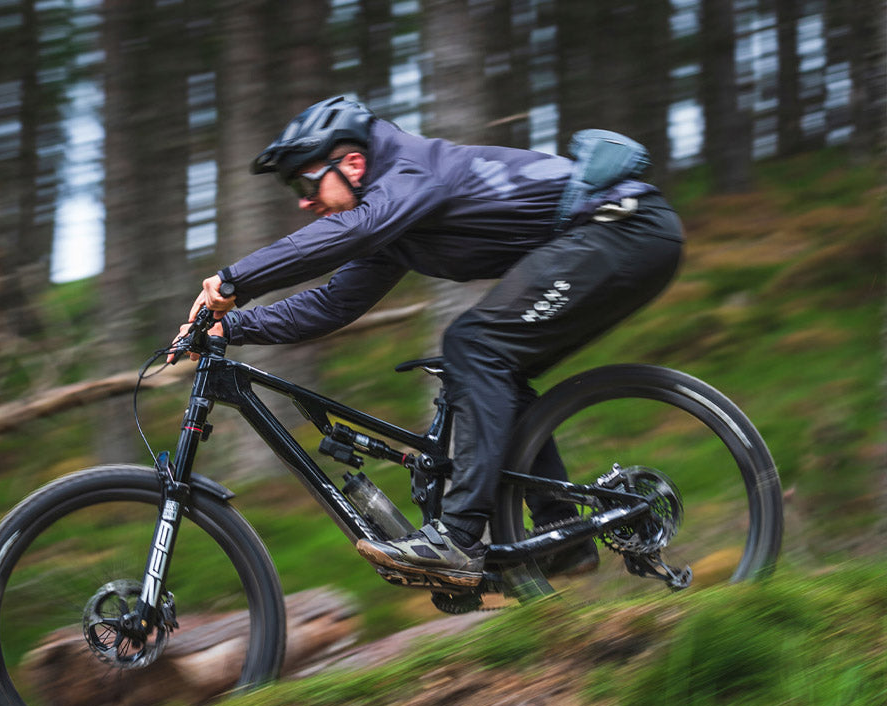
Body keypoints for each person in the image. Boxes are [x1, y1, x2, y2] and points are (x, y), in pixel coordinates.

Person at [178, 96, 683, 588]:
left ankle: (459, 539)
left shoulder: (412, 173)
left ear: (353, 162)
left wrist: (234, 280)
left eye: (305, 182)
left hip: (623, 227)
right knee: (492, 368)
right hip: (610, 240)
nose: (304, 201)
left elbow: (358, 228)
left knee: (474, 345)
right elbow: (333, 304)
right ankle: (562, 536)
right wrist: (231, 328)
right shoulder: (393, 221)